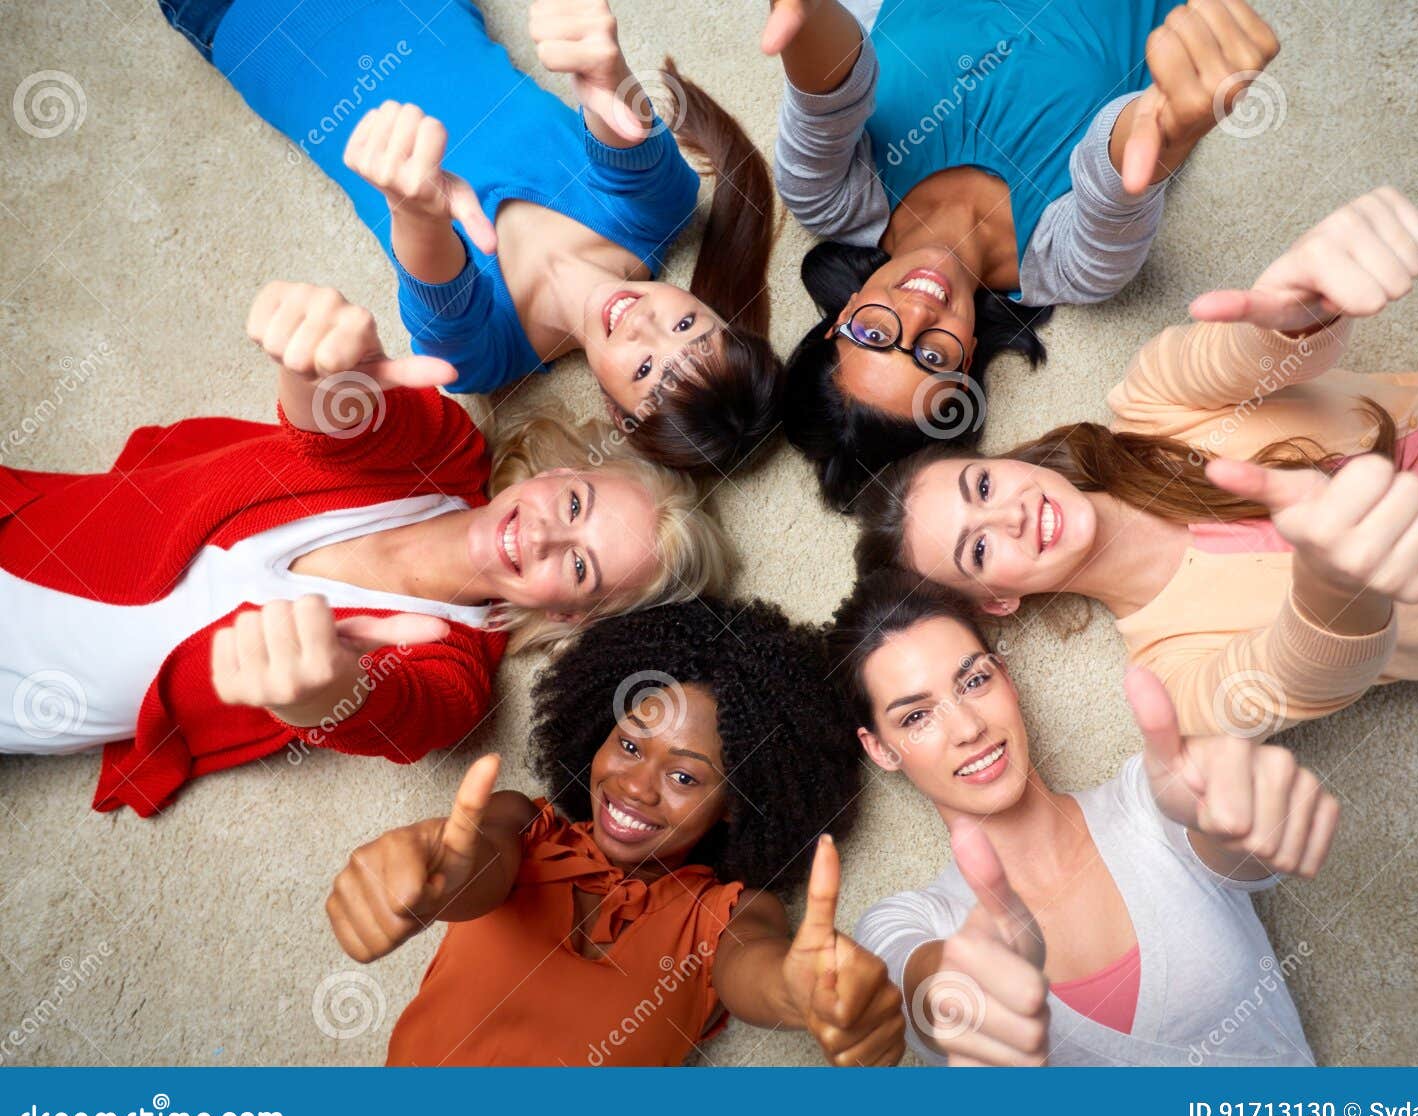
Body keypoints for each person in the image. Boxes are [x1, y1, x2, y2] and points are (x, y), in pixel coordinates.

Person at [853, 187, 1418, 736]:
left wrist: (1299, 303)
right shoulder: (1173, 679)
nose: (1009, 513)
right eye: (978, 547)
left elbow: (1249, 353)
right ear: (997, 601)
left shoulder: (1149, 400)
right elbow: (1302, 671)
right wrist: (1333, 580)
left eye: (982, 485)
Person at [0, 281, 730, 815]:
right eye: (574, 504)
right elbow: (333, 419)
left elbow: (391, 711)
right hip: (29, 528)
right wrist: (318, 360)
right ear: (561, 473)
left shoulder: (453, 677)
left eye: (578, 564)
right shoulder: (442, 447)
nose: (542, 532)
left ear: (572, 616)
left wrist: (323, 690)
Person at [159, 0, 782, 475]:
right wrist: (605, 69)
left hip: (248, 24)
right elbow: (618, 125)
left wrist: (418, 213)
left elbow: (436, 287)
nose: (645, 326)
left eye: (647, 369)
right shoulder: (663, 208)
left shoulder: (483, 358)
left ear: (616, 412)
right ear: (713, 311)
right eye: (687, 329)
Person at [327, 599, 906, 1067]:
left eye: (684, 775)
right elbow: (473, 865)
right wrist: (438, 877)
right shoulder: (527, 827)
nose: (636, 787)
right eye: (629, 744)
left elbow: (756, 968)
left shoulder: (726, 914)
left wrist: (802, 992)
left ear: (737, 803)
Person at [762, 0, 1281, 508]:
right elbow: (1117, 172)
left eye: (875, 335)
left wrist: (802, 9)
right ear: (965, 359)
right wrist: (1170, 123)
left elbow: (828, 87)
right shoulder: (1074, 267)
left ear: (843, 315)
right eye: (931, 357)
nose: (918, 313)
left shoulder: (828, 197)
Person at [830, 571, 1336, 1065]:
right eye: (916, 717)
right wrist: (962, 988)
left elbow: (1229, 843)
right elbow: (920, 991)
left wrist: (1247, 819)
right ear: (881, 749)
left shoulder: (1149, 798)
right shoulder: (905, 922)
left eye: (975, 680)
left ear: (1007, 678)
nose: (967, 727)